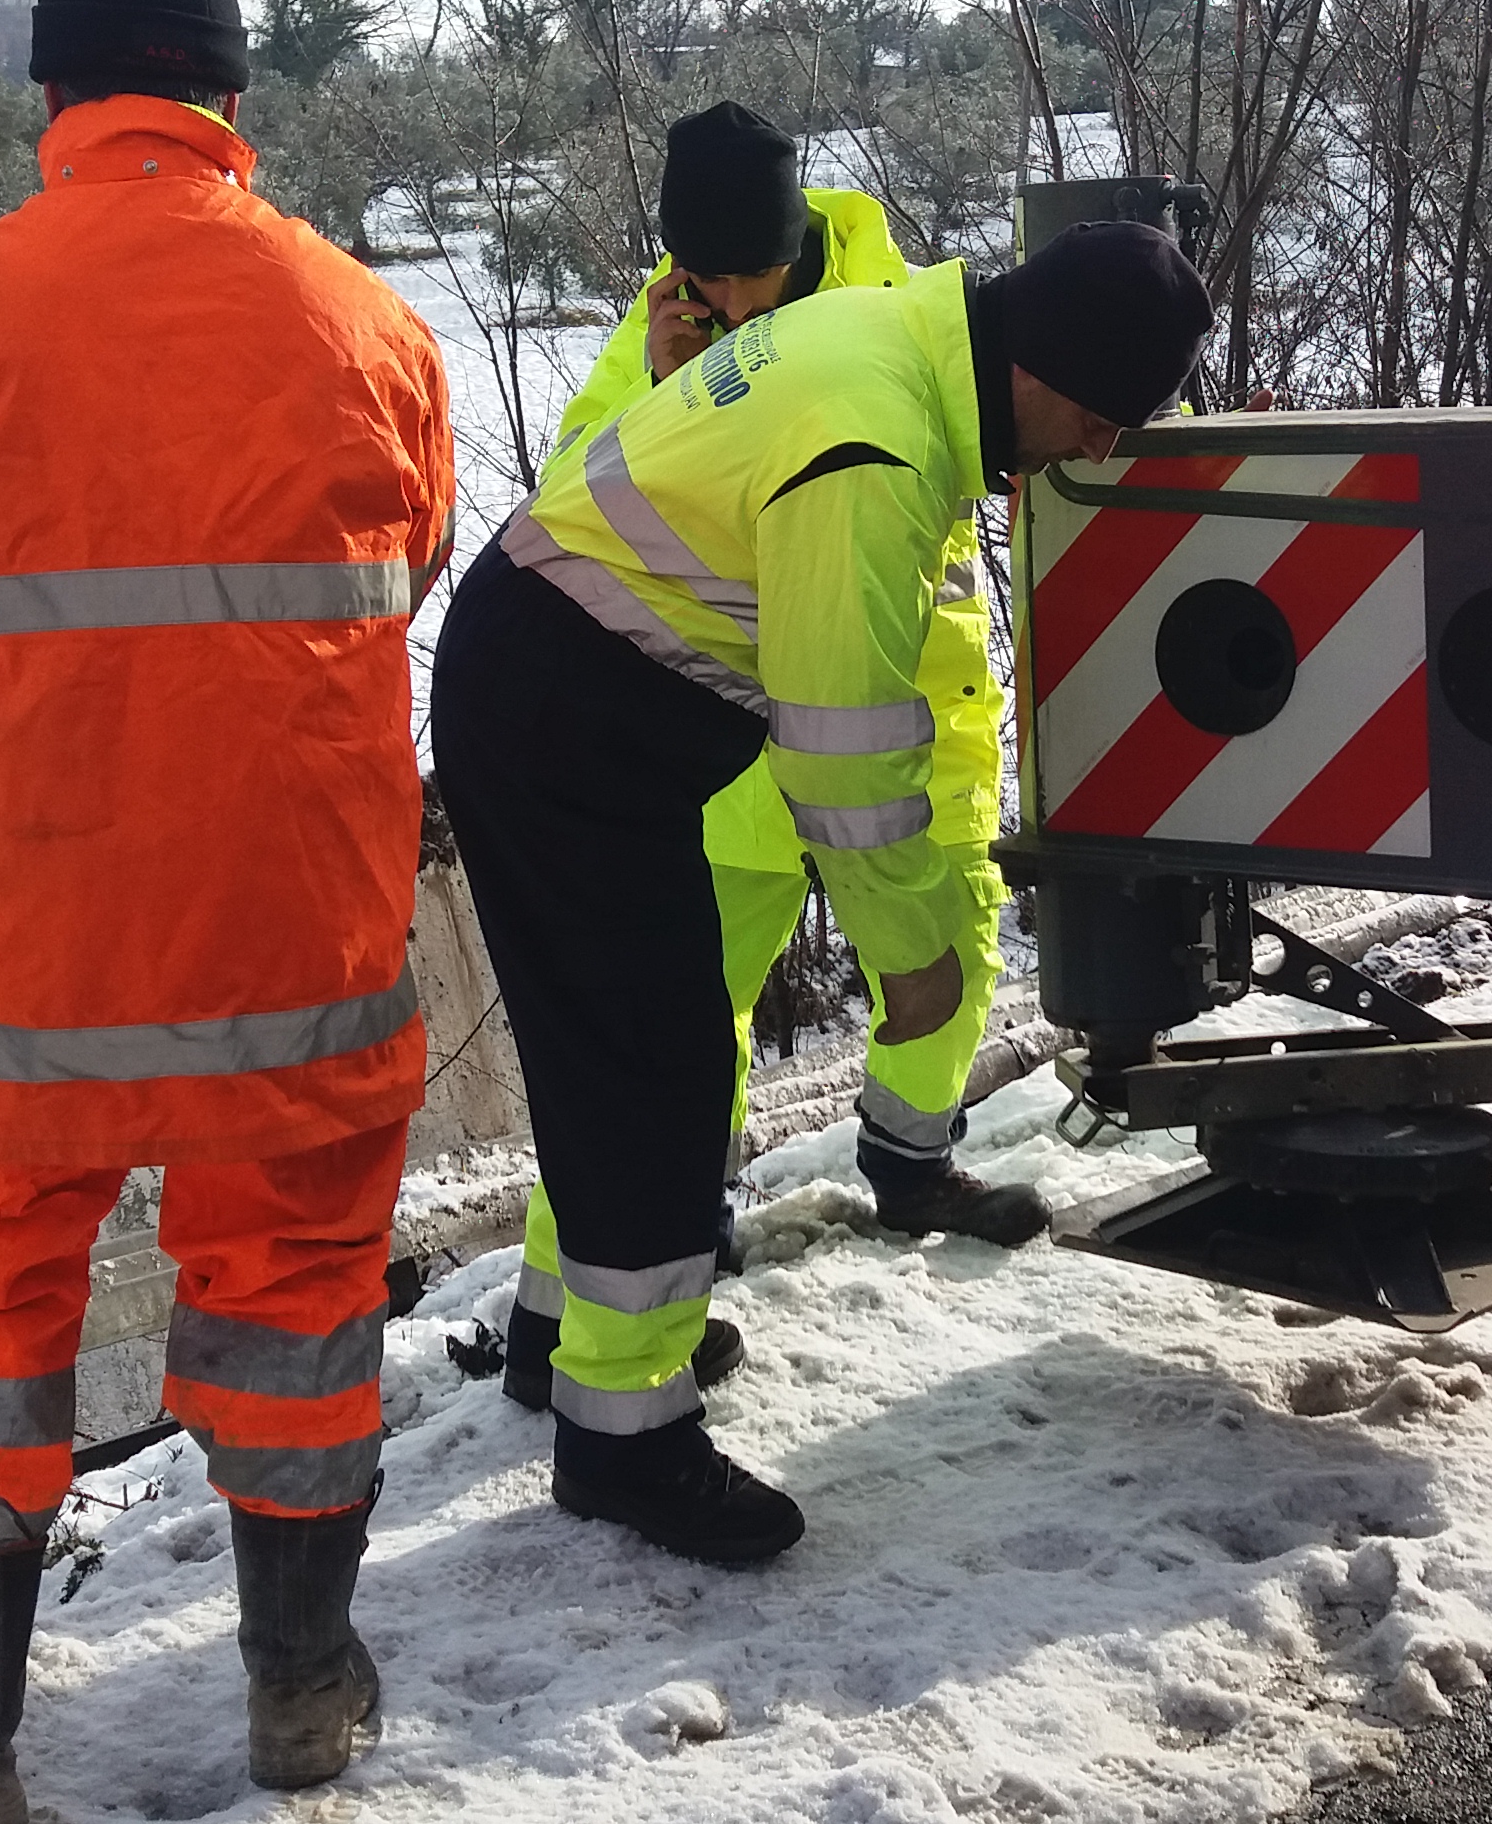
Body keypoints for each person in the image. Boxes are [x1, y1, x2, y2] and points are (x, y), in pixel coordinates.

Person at [0, 0, 453, 1824]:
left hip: (24, 952)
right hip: (292, 948)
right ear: (234, 97)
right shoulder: (366, 320)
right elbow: (398, 561)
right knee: (296, 1311)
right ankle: (300, 1697)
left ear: (55, 97)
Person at [434, 217, 1212, 1561]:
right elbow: (846, 753)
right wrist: (917, 958)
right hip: (569, 708)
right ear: (1043, 365)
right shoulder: (881, 443)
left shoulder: (892, 340)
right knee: (650, 1054)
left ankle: (591, 1344)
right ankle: (626, 1441)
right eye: (1095, 418)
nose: (1092, 451)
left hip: (560, 679)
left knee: (639, 1041)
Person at [497, 105, 1048, 1419]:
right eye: (692, 273)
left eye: (733, 273)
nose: (717, 296)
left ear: (791, 243)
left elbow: (1044, 377)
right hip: (730, 750)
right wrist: (660, 372)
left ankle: (913, 1155)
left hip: (917, 703)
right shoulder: (666, 326)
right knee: (664, 1036)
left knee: (952, 949)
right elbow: (574, 503)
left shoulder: (904, 304)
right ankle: (558, 1304)